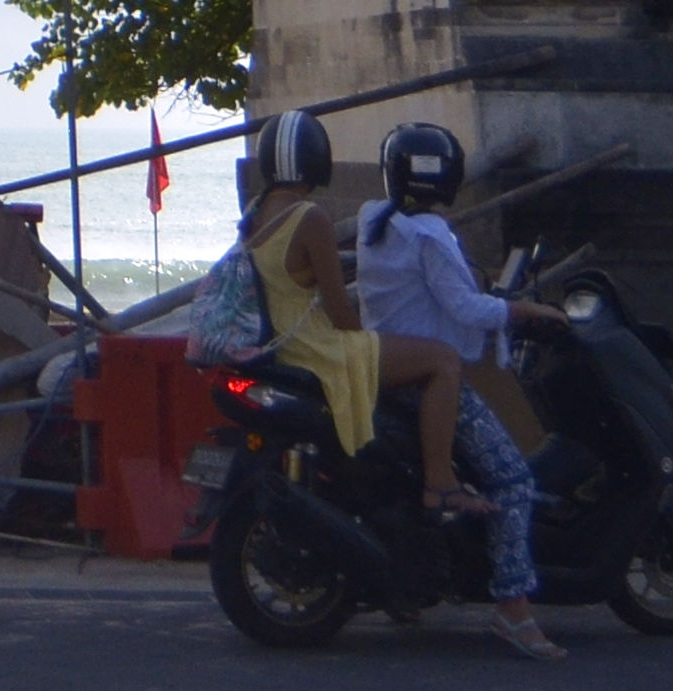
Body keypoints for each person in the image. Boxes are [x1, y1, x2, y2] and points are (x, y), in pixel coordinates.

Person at [356, 121, 575, 662]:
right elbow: (465, 308)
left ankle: (414, 585)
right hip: (429, 381)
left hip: (388, 370)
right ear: (448, 177)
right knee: (512, 479)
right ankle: (514, 608)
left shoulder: (377, 223)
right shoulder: (429, 235)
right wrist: (526, 310)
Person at [235, 110, 490, 527]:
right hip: (316, 350)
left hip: (279, 346)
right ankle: (441, 482)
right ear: (316, 159)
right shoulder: (309, 218)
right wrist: (374, 343)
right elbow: (340, 311)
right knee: (443, 359)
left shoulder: (255, 213)